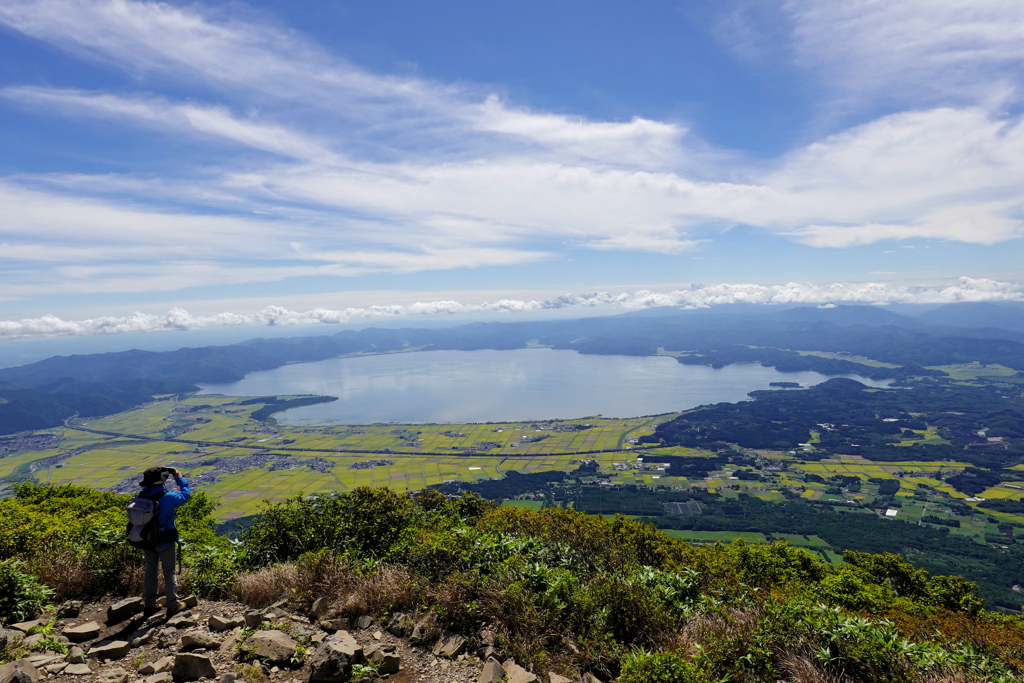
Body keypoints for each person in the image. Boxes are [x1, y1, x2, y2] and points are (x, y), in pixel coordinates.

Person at [137, 466, 191, 616]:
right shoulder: (167, 498)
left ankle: (150, 604)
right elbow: (185, 495)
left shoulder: (141, 495)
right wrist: (179, 478)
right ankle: (173, 605)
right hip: (165, 540)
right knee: (169, 571)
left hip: (147, 540)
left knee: (150, 571)